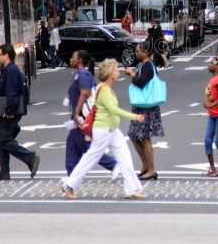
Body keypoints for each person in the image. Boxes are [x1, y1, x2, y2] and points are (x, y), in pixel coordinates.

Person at [60, 59, 146, 200]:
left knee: (124, 157)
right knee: (90, 158)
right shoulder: (104, 89)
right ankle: (69, 184)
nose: (119, 73)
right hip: (104, 129)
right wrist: (135, 117)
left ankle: (132, 189)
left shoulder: (105, 88)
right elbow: (113, 109)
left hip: (112, 129)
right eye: (117, 70)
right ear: (110, 73)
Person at [64, 50, 117, 177]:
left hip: (81, 117)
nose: (71, 59)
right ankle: (71, 177)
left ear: (80, 60)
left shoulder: (83, 75)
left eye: (73, 57)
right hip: (76, 118)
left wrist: (77, 112)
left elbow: (85, 93)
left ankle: (114, 164)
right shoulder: (77, 74)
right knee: (73, 146)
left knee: (86, 147)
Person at [0, 43, 40, 180]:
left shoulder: (11, 71)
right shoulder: (7, 70)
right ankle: (2, 171)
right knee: (0, 141)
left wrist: (9, 110)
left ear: (6, 55)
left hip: (8, 112)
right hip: (5, 111)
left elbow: (12, 92)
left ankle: (30, 158)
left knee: (4, 140)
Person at [125, 41, 165, 180]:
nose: (137, 53)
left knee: (145, 137)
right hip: (141, 106)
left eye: (138, 51)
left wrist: (131, 74)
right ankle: (145, 165)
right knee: (134, 135)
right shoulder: (145, 65)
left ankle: (151, 169)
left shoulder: (148, 65)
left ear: (146, 52)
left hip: (146, 107)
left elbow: (141, 83)